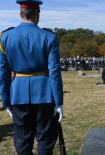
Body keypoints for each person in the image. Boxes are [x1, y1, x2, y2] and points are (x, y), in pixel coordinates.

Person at [0, 0, 63, 154]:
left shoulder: (5, 36)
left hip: (18, 94)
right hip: (44, 94)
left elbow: (3, 72)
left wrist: (6, 100)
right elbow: (54, 71)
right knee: (45, 141)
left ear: (20, 14)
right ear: (38, 14)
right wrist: (59, 102)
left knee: (22, 143)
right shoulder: (49, 37)